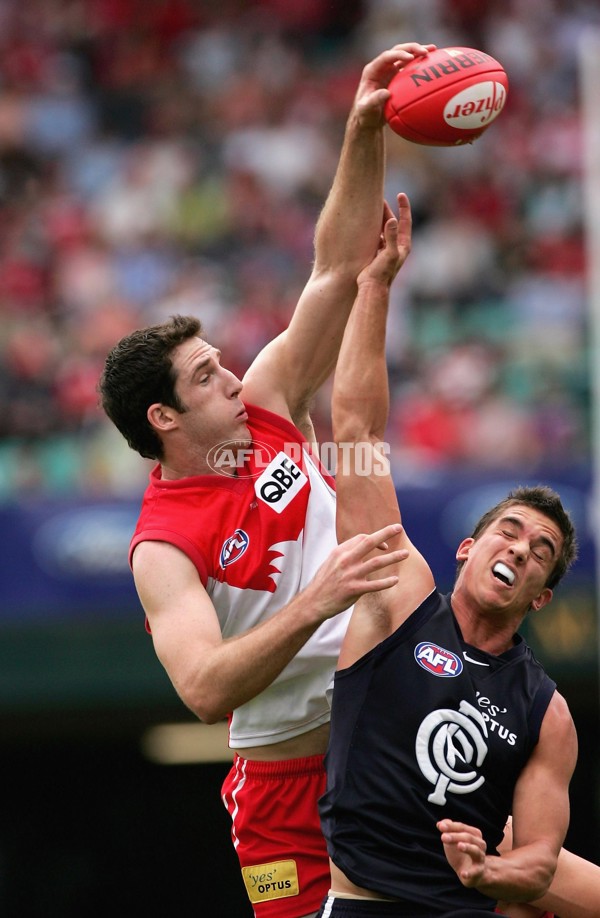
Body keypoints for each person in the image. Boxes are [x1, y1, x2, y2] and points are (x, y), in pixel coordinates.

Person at [98, 42, 436, 918]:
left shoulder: (274, 400)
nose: (234, 377)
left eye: (221, 361)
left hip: (392, 731)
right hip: (284, 792)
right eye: (207, 375)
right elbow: (205, 688)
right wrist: (316, 602)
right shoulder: (161, 545)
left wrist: (365, 129)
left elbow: (333, 267)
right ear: (163, 420)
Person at [317, 195, 585, 916]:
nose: (520, 550)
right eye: (510, 531)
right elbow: (356, 429)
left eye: (540, 553)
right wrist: (374, 287)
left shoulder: (544, 711)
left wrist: (486, 874)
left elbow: (536, 862)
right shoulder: (400, 597)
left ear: (541, 597)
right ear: (469, 547)